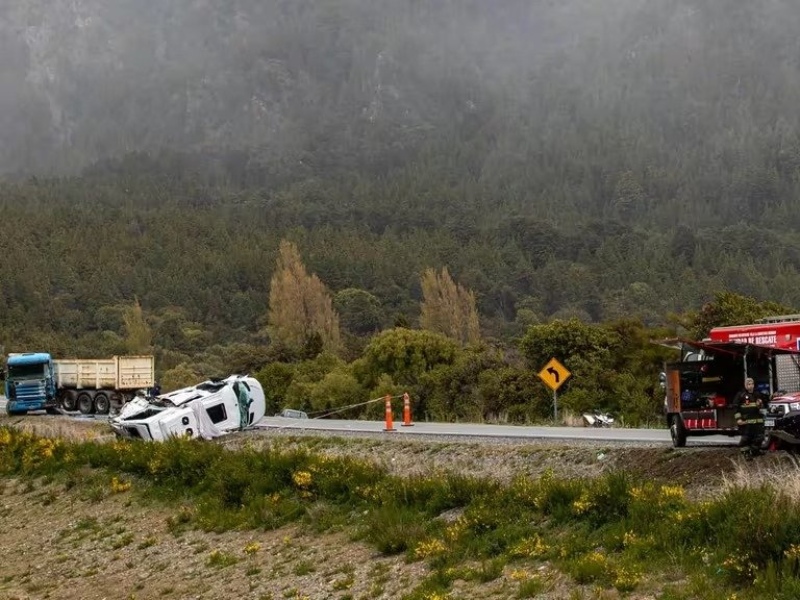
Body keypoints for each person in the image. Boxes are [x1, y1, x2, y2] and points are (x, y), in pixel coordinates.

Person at [733, 377, 766, 458]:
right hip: (746, 421)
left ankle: (755, 451)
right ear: (745, 385)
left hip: (757, 421)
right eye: (748, 384)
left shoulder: (757, 394)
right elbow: (735, 408)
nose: (750, 386)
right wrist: (738, 419)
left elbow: (763, 404)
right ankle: (746, 453)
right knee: (746, 439)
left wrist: (761, 404)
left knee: (760, 437)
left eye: (752, 384)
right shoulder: (740, 395)